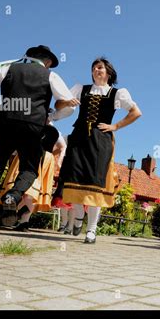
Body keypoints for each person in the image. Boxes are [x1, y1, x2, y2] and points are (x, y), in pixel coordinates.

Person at [0, 45, 74, 234]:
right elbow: (69, 103)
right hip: (33, 127)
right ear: (47, 62)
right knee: (30, 169)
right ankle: (14, 196)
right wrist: (52, 116)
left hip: (5, 122)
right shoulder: (51, 76)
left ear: (29, 56)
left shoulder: (9, 66)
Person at [51, 57, 142, 244]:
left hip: (101, 140)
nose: (96, 70)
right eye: (93, 68)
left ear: (108, 72)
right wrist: (67, 102)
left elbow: (136, 112)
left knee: (95, 183)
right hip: (79, 137)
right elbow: (59, 104)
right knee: (73, 179)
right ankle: (77, 216)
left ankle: (91, 230)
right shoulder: (80, 88)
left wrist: (115, 126)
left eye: (99, 67)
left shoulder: (117, 93)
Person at [0, 124, 60, 231]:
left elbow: (61, 146)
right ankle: (22, 218)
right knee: (29, 191)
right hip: (38, 155)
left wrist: (57, 159)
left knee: (27, 190)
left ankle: (17, 213)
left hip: (39, 156)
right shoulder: (37, 123)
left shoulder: (34, 123)